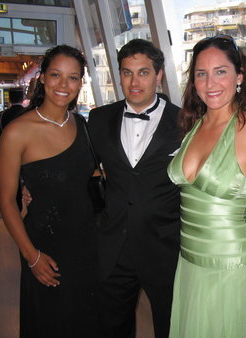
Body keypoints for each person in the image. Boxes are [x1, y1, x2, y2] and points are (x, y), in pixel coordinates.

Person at [167, 35, 246, 337]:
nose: (210, 83)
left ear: (239, 76)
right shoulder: (195, 125)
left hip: (232, 270)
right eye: (201, 74)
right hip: (189, 264)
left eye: (220, 71)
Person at [0, 44, 98, 338]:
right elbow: (6, 202)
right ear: (42, 77)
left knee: (85, 321)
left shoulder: (82, 125)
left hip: (86, 243)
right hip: (44, 246)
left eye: (73, 77)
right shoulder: (18, 132)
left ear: (81, 82)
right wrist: (32, 256)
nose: (64, 85)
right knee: (50, 322)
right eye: (56, 75)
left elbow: (82, 175)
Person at [87, 39, 181, 338]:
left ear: (159, 75)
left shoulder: (185, 122)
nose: (134, 81)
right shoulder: (99, 119)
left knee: (168, 326)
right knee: (111, 326)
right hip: (114, 246)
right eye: (127, 73)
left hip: (164, 247)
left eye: (143, 72)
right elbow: (82, 169)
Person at [0, 87, 26, 210]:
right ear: (23, 98)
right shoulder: (29, 113)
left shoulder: (3, 115)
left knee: (13, 183)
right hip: (27, 153)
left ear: (10, 99)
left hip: (8, 154)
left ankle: (16, 207)